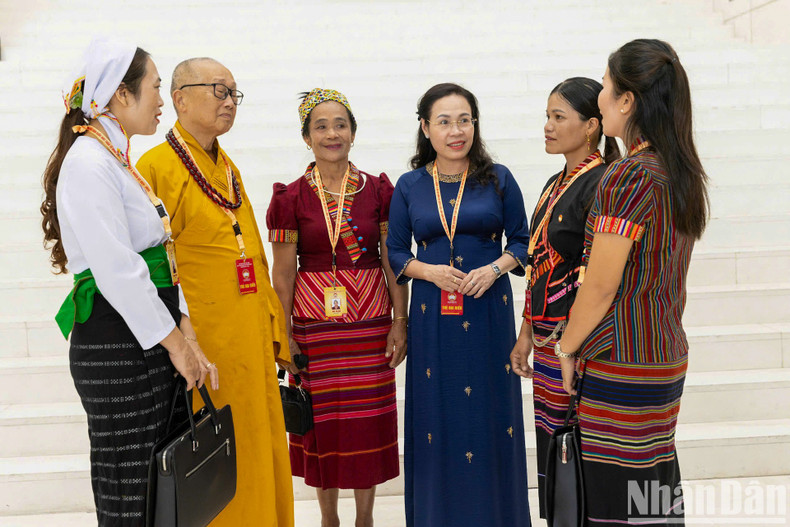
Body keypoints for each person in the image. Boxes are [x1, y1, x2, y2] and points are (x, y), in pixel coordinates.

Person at [41, 38, 217, 526]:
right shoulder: (88, 164)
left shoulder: (114, 160)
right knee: (132, 489)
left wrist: (183, 325)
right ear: (121, 96)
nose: (163, 100)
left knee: (159, 487)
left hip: (144, 337)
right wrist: (177, 344)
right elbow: (118, 270)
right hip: (118, 345)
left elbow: (156, 258)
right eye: (157, 88)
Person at [554, 39, 709, 524]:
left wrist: (566, 347)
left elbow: (600, 286)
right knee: (652, 496)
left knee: (615, 502)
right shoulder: (678, 170)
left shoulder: (628, 176)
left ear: (626, 100)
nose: (599, 93)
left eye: (604, 83)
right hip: (663, 353)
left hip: (622, 360)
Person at [136, 58, 294, 526]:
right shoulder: (156, 167)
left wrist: (274, 323)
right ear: (179, 99)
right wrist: (180, 341)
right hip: (206, 342)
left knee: (256, 448)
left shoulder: (226, 165)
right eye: (218, 90)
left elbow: (252, 252)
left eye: (234, 94)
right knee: (218, 462)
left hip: (248, 336)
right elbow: (152, 267)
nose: (229, 101)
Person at [387, 83, 531, 527]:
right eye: (445, 121)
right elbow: (393, 252)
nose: (456, 130)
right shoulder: (410, 185)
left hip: (488, 311)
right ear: (426, 128)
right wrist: (428, 271)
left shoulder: (499, 177)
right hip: (434, 316)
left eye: (464, 120)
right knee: (438, 417)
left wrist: (494, 269)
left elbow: (524, 241)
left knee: (490, 415)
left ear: (475, 125)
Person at [267, 88, 408, 527]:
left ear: (353, 132)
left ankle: (365, 518)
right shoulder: (289, 198)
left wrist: (399, 322)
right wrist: (284, 330)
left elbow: (391, 261)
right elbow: (283, 273)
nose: (332, 133)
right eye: (321, 126)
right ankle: (329, 518)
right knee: (321, 425)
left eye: (340, 124)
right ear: (306, 137)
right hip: (313, 327)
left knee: (367, 423)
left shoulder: (379, 191)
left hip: (369, 324)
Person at [509, 77, 620, 518]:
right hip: (546, 338)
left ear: (592, 126)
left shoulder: (602, 183)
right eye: (547, 117)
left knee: (578, 442)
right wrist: (525, 333)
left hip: (576, 341)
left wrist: (569, 343)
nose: (548, 126)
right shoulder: (555, 184)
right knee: (555, 443)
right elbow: (538, 265)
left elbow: (596, 276)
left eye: (559, 117)